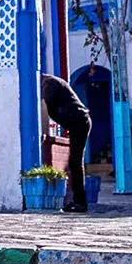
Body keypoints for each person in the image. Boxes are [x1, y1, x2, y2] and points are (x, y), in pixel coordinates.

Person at [41, 73, 92, 212]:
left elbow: (44, 107)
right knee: (74, 163)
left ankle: (80, 202)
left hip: (79, 122)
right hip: (77, 122)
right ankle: (78, 201)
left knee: (75, 163)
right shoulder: (49, 82)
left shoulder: (48, 84)